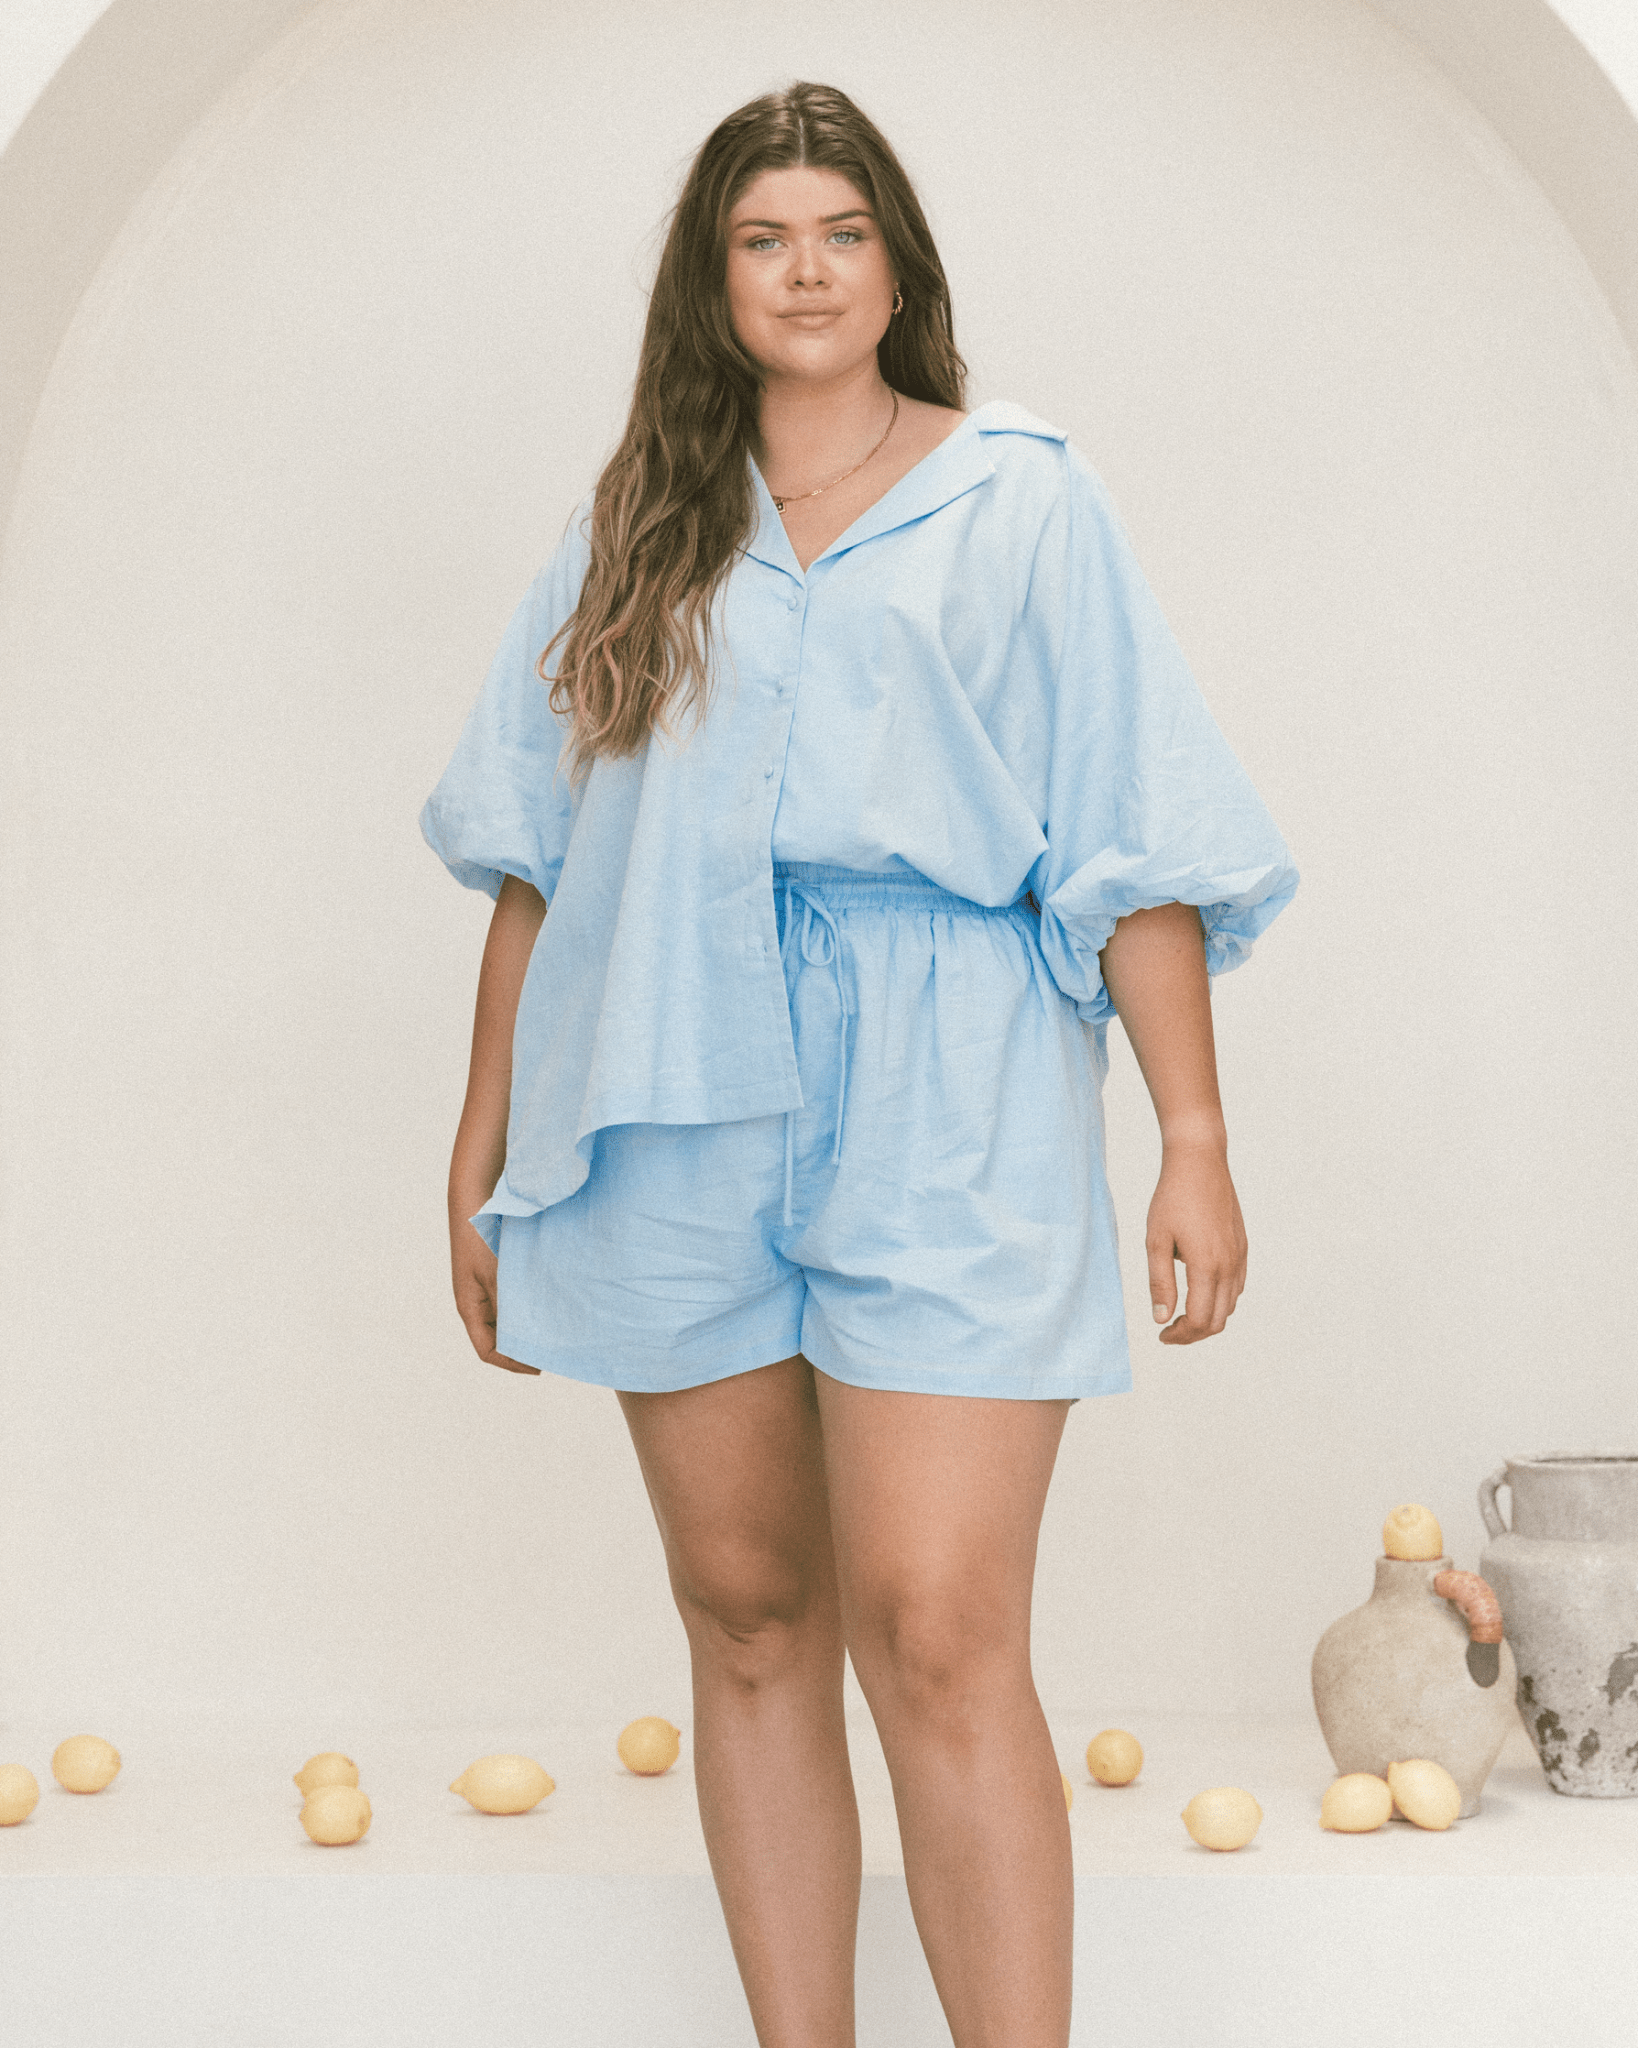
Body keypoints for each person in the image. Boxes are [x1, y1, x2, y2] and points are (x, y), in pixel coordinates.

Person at [421, 79, 1298, 2048]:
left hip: (948, 1087)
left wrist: (1194, 1132)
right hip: (666, 1086)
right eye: (763, 239)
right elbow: (540, 867)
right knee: (746, 1616)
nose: (805, 272)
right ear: (713, 278)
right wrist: (481, 1147)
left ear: (899, 269)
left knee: (942, 1628)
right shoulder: (635, 527)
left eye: (840, 234)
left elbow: (1130, 832)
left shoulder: (1022, 499)